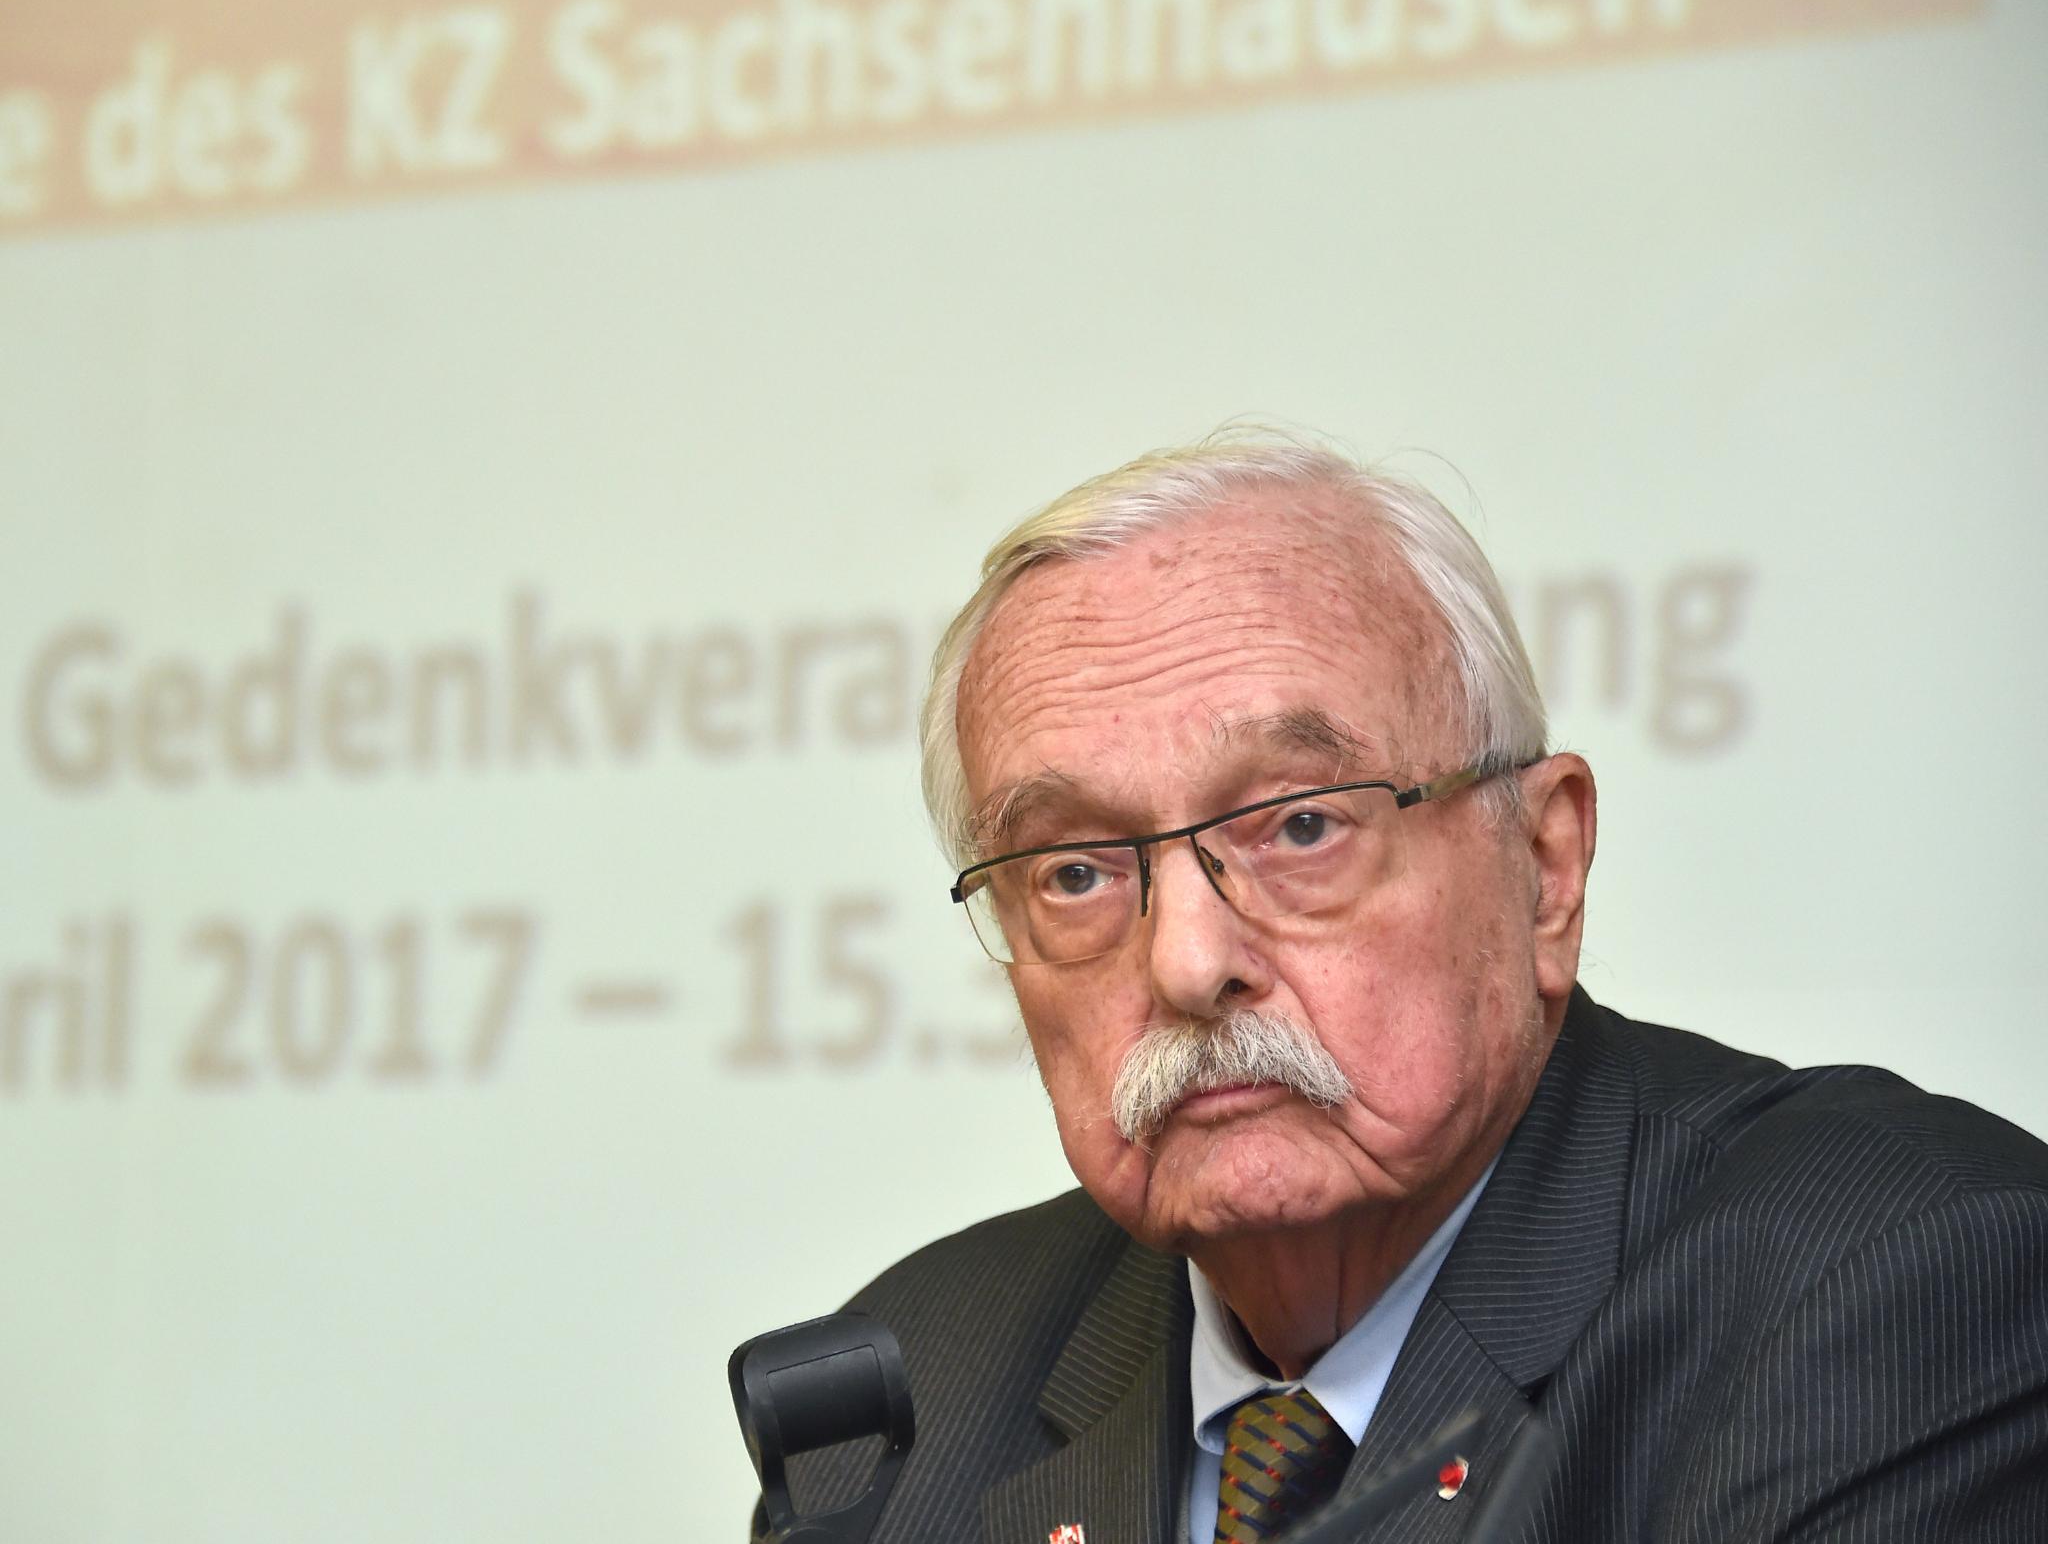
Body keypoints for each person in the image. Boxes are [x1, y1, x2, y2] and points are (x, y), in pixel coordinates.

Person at [756, 432, 2048, 1543]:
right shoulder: (920, 1392)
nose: (1189, 962)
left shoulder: (1897, 1287)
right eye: (1077, 872)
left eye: (1301, 826)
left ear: (1545, 866)